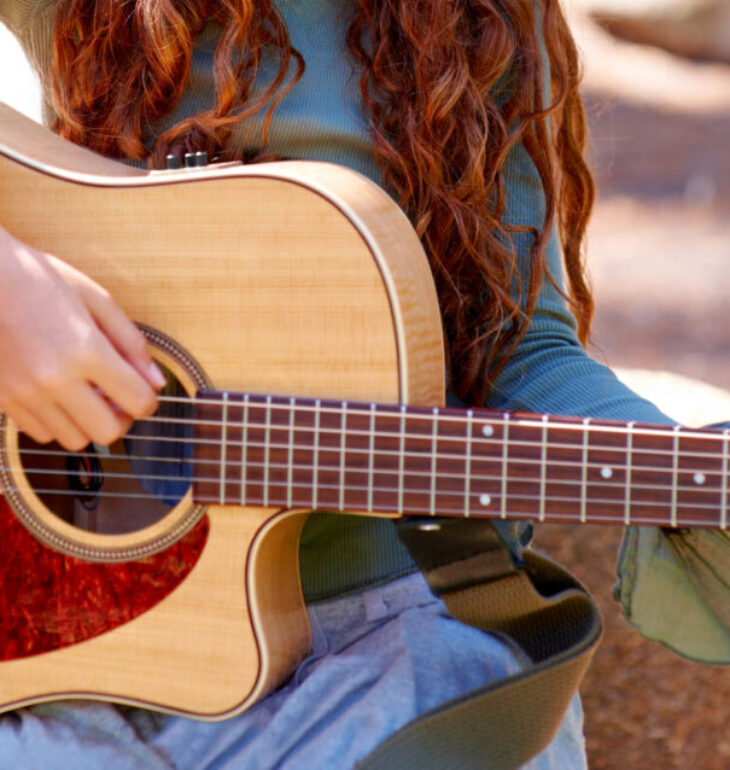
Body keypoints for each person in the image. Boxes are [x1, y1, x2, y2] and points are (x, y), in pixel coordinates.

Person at [0, 1, 728, 767]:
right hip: (60, 651)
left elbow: (522, 344)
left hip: (395, 652)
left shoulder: (483, 18)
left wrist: (683, 469)